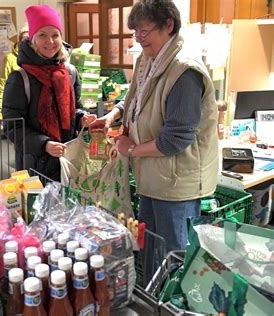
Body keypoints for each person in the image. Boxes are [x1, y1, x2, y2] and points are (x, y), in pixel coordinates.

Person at [88, 0, 218, 253]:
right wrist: (113, 116)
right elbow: (136, 100)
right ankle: (152, 293)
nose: (138, 39)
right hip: (152, 175)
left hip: (176, 183)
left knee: (172, 254)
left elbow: (175, 140)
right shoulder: (149, 59)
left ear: (168, 25)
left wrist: (132, 149)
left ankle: (165, 295)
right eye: (135, 32)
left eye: (144, 32)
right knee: (151, 248)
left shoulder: (184, 71)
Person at [2, 5, 93, 181]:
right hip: (35, 164)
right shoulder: (20, 78)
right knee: (38, 207)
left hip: (68, 158)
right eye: (42, 35)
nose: (49, 42)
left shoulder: (70, 73)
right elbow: (12, 126)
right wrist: (44, 144)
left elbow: (75, 109)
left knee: (70, 206)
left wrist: (82, 118)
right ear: (32, 39)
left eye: (55, 35)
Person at [0, 23, 29, 120]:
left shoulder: (39, 58)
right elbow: (2, 87)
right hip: (15, 110)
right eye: (25, 38)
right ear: (19, 40)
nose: (28, 41)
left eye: (31, 38)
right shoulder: (10, 59)